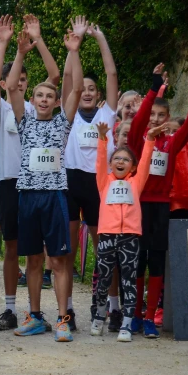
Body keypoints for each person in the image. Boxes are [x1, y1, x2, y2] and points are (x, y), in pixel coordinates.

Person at [10, 22, 84, 342]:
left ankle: (63, 319)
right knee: (34, 259)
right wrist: (20, 51)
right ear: (33, 100)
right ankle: (36, 316)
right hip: (28, 195)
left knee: (58, 258)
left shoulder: (62, 123)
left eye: (48, 96)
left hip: (54, 195)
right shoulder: (24, 121)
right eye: (38, 95)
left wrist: (73, 52)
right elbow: (12, 86)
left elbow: (77, 89)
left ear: (55, 101)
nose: (42, 99)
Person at [0, 14, 61, 332]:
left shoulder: (38, 107)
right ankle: (9, 309)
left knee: (42, 250)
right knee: (13, 247)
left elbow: (55, 75)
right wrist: (10, 47)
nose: (20, 83)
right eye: (14, 80)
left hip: (41, 184)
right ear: (8, 85)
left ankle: (50, 311)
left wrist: (38, 39)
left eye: (24, 80)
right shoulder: (4, 107)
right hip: (9, 183)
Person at [126, 62, 188, 338]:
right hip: (137, 205)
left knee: (157, 261)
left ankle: (148, 318)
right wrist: (154, 86)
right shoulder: (137, 140)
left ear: (168, 117)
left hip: (160, 207)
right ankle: (133, 313)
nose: (155, 119)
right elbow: (139, 119)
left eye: (161, 115)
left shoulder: (171, 143)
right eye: (152, 114)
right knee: (137, 261)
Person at [63, 21, 118, 331]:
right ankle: (67, 308)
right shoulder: (68, 114)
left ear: (98, 95)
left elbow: (111, 74)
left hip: (100, 184)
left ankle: (112, 308)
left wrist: (99, 37)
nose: (86, 91)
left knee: (105, 249)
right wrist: (75, 45)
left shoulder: (107, 114)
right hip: (71, 181)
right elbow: (71, 80)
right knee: (68, 250)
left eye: (91, 89)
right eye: (83, 89)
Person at [91, 121, 161, 341]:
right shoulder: (104, 181)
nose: (120, 161)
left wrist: (150, 139)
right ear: (112, 164)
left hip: (130, 237)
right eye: (117, 158)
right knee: (103, 279)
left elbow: (147, 161)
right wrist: (102, 139)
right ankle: (99, 317)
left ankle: (127, 324)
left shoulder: (136, 182)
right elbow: (100, 162)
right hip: (107, 236)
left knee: (129, 281)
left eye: (126, 159)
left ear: (133, 167)